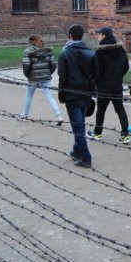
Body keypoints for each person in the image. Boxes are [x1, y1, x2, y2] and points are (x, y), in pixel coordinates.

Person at [58, 24, 96, 168]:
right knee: (79, 123)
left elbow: (62, 76)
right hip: (86, 92)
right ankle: (77, 150)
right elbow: (94, 74)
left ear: (70, 36)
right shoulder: (90, 52)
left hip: (72, 93)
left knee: (78, 126)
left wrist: (62, 94)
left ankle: (85, 157)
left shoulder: (65, 53)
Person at [89, 27, 130, 144]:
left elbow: (97, 70)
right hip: (116, 85)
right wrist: (118, 76)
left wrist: (97, 82)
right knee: (120, 110)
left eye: (99, 34)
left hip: (103, 86)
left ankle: (98, 132)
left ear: (104, 35)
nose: (97, 36)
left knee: (101, 110)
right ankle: (125, 134)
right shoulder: (120, 50)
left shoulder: (100, 52)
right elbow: (126, 66)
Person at [16, 34, 62, 124]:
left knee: (29, 95)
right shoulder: (48, 51)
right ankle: (59, 115)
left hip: (33, 77)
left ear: (31, 42)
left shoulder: (28, 52)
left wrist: (28, 75)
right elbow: (54, 64)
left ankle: (24, 115)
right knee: (49, 96)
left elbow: (26, 66)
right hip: (46, 77)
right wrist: (48, 73)